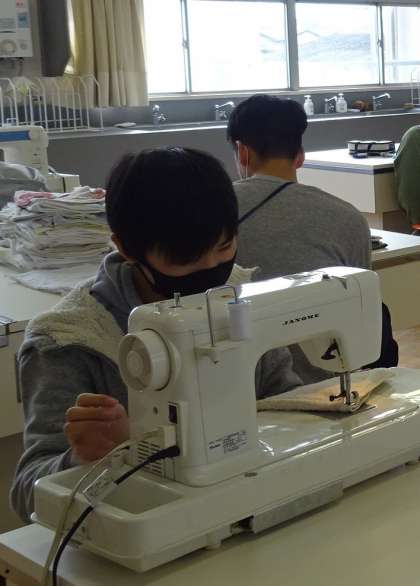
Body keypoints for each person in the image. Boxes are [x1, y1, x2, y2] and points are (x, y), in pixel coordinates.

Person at [11, 147, 302, 523]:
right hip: (146, 532)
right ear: (125, 247)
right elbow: (27, 495)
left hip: (248, 512)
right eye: (185, 259)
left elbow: (292, 408)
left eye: (225, 247)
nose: (212, 269)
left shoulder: (238, 294)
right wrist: (85, 457)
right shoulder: (67, 341)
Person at [227, 94, 398, 381]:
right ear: (300, 156)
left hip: (248, 382)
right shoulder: (348, 217)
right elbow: (361, 305)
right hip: (332, 382)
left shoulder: (215, 212)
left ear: (242, 152)